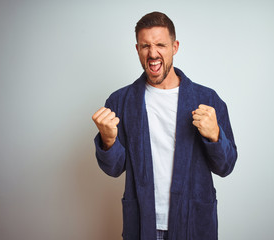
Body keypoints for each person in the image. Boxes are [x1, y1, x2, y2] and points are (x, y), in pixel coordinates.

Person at [92, 11, 237, 240]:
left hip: (193, 222)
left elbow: (226, 166)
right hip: (142, 221)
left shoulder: (207, 100)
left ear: (175, 46)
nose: (153, 53)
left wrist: (215, 136)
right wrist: (108, 141)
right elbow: (114, 169)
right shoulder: (120, 101)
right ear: (137, 49)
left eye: (160, 44)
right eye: (145, 46)